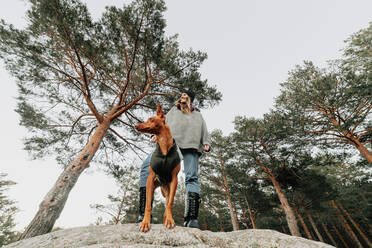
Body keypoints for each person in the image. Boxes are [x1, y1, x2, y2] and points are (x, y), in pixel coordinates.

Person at [138, 90, 211, 228]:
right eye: (181, 95)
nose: (182, 97)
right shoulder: (173, 110)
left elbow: (204, 129)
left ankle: (191, 218)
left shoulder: (198, 114)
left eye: (186, 96)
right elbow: (163, 123)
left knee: (192, 177)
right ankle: (144, 213)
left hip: (192, 145)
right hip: (173, 144)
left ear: (191, 99)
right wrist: (156, 134)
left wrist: (206, 141)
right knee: (146, 167)